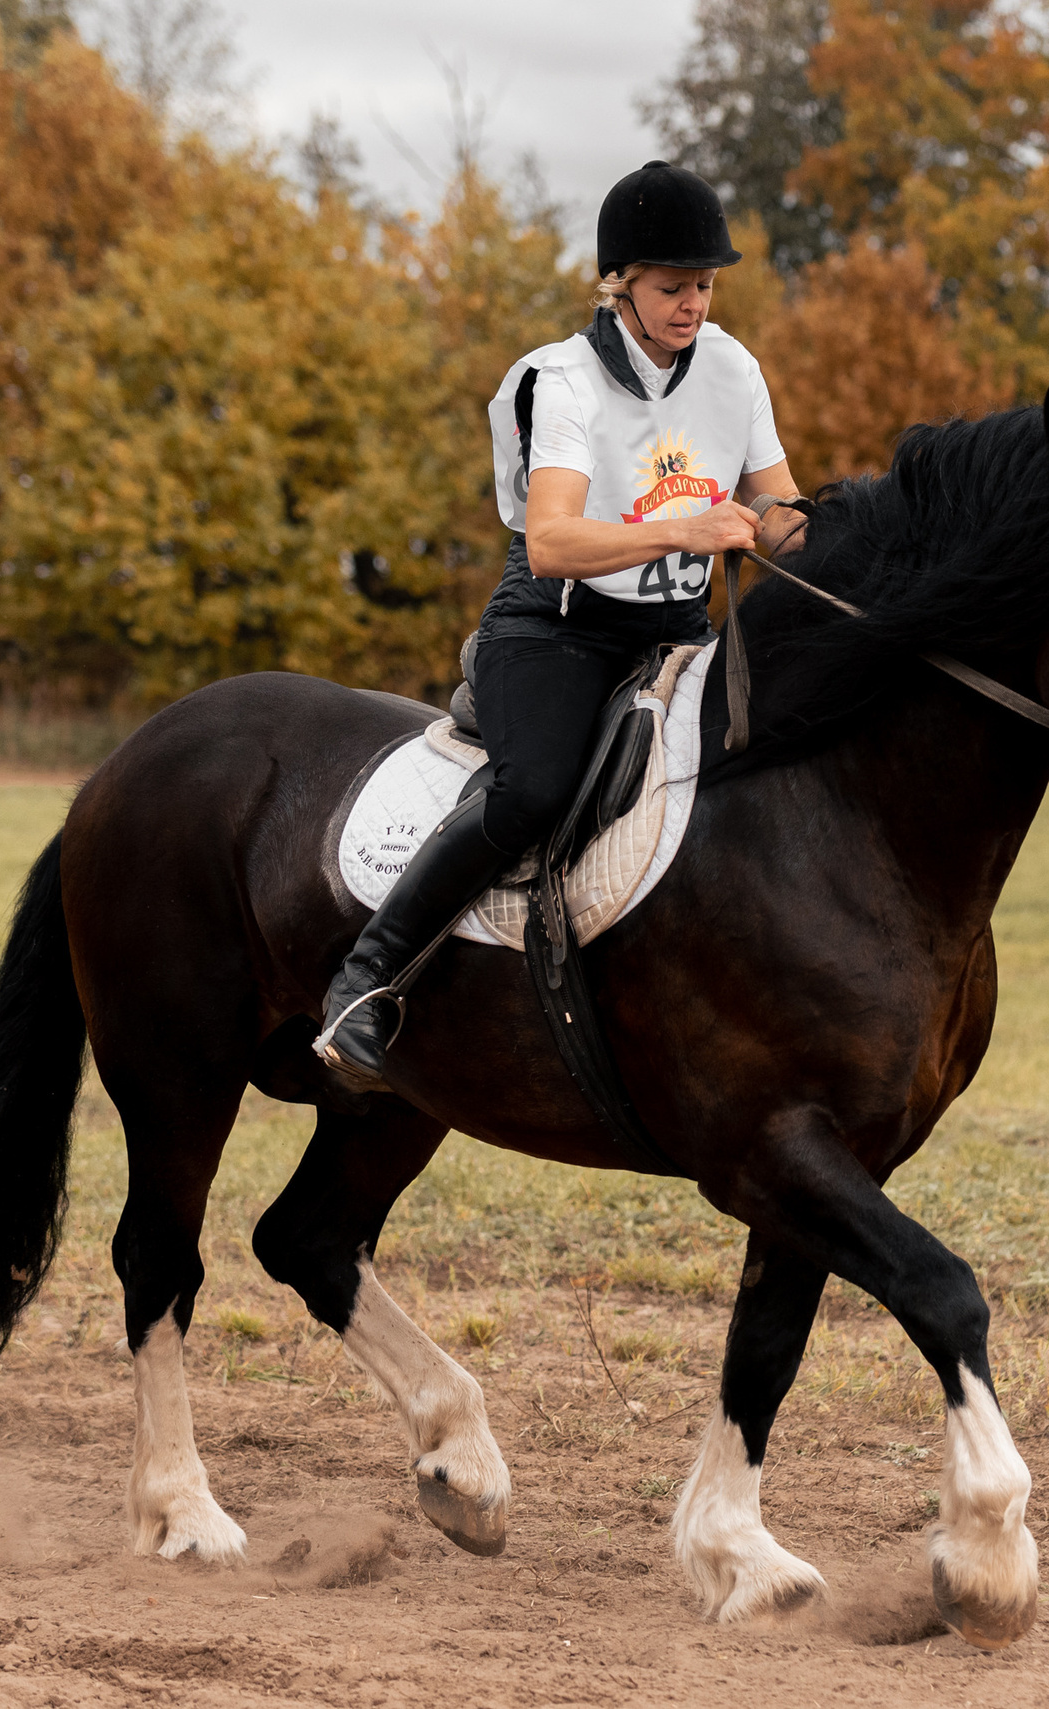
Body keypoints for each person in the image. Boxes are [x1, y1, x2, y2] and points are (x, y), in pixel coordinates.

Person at [316, 160, 807, 1092]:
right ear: (620, 284)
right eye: (672, 287)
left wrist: (835, 536)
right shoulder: (563, 382)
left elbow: (777, 507)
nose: (692, 305)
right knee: (533, 790)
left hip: (675, 632)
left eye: (703, 285)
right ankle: (367, 977)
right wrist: (690, 527)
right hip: (555, 631)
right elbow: (549, 541)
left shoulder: (735, 369)